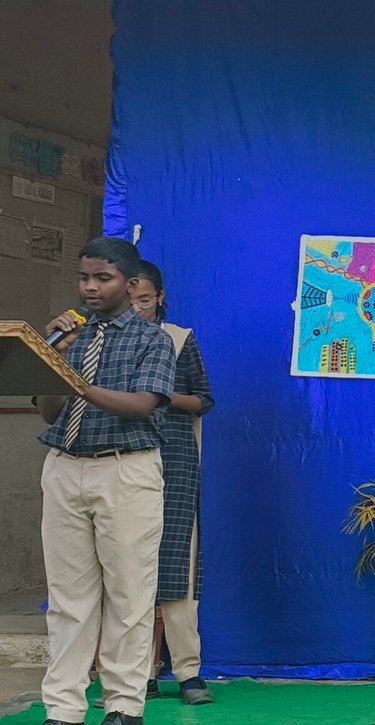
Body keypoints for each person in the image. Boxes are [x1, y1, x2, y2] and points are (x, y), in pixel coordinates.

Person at [32, 237, 176, 725]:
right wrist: (54, 359)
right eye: (83, 278)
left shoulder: (151, 339)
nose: (89, 287)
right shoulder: (70, 337)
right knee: (68, 599)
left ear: (131, 285)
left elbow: (142, 405)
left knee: (128, 596)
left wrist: (79, 383)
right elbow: (50, 411)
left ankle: (123, 706)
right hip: (65, 465)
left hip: (125, 470)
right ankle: (63, 709)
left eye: (103, 278)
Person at [129, 261, 215, 706]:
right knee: (129, 568)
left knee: (178, 565)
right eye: (129, 301)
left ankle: (188, 673)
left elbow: (204, 399)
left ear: (160, 297)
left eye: (144, 300)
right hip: (125, 462)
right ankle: (137, 675)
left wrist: (163, 396)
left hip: (176, 463)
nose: (137, 309)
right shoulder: (109, 343)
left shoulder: (180, 339)